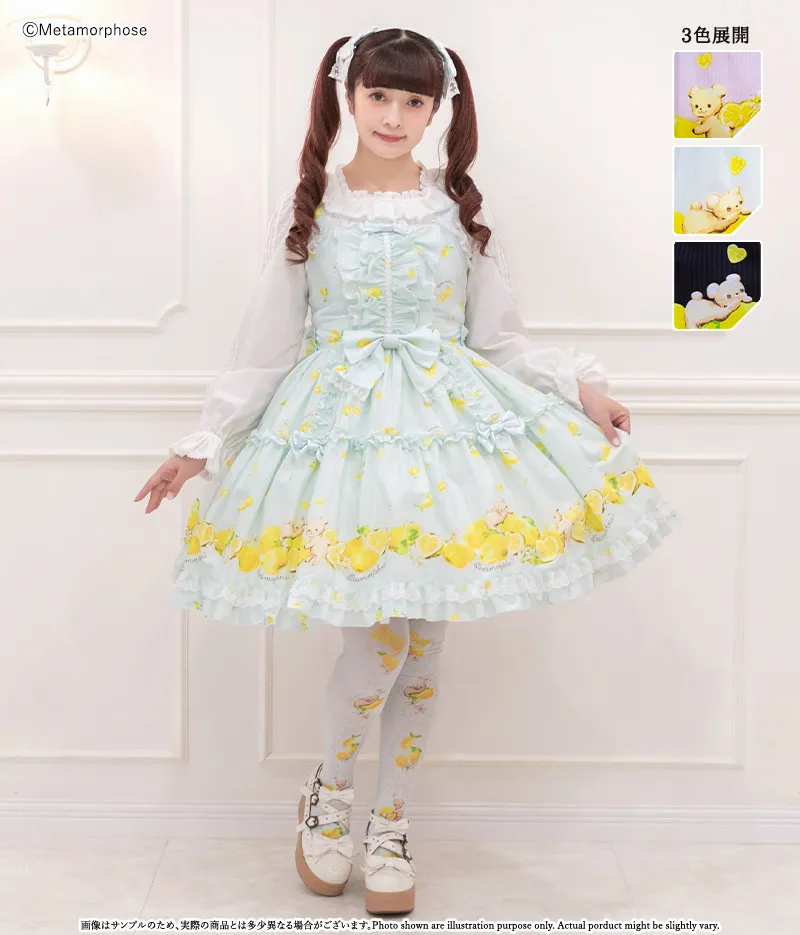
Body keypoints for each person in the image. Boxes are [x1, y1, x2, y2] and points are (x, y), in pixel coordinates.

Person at [134, 26, 682, 916]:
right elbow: (265, 345)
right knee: (378, 644)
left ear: (438, 111)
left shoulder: (456, 210)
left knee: (423, 645)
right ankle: (331, 793)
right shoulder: (313, 207)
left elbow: (498, 339)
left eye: (413, 100)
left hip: (445, 442)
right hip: (343, 448)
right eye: (379, 95)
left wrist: (579, 388)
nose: (393, 116)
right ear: (349, 97)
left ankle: (389, 822)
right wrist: (203, 440)